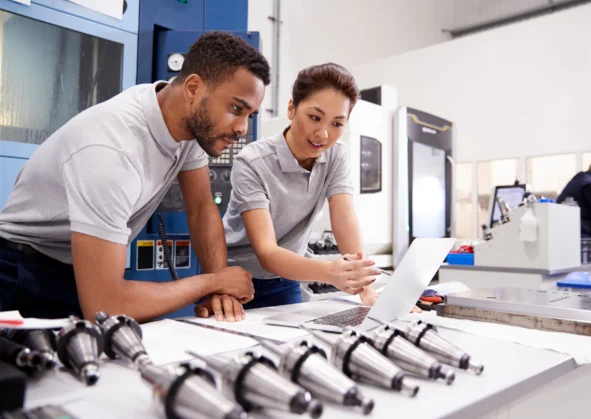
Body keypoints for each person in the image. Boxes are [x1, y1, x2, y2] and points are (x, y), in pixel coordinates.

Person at [0, 32, 270, 322]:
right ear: (193, 88)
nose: (242, 128)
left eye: (250, 115)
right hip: (19, 274)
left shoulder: (186, 123)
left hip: (74, 271)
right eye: (235, 109)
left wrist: (221, 290)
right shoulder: (112, 150)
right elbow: (105, 305)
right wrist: (213, 283)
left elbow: (202, 208)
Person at [195, 63, 383, 321]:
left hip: (287, 278)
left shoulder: (336, 155)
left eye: (337, 123)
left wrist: (367, 291)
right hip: (236, 281)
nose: (323, 134)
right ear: (292, 108)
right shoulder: (253, 161)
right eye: (315, 117)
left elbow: (345, 222)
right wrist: (329, 272)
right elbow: (267, 252)